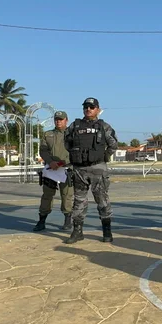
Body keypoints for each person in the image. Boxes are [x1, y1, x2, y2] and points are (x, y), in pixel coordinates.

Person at [64, 98, 118, 244]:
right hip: (79, 170)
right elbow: (67, 143)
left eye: (92, 107)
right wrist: (77, 156)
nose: (88, 109)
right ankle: (77, 232)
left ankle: (107, 231)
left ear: (98, 109)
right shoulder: (74, 126)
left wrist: (104, 156)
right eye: (86, 107)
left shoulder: (104, 126)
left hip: (97, 169)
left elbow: (113, 144)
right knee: (79, 201)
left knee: (102, 200)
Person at [33, 111, 74, 232]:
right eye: (56, 119)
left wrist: (64, 162)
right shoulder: (48, 134)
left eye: (61, 119)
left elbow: (76, 150)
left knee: (67, 195)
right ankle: (41, 220)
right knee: (47, 195)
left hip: (67, 169)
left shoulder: (72, 135)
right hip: (51, 170)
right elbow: (43, 150)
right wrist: (51, 162)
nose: (58, 121)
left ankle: (67, 220)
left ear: (66, 120)